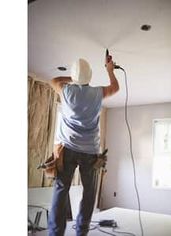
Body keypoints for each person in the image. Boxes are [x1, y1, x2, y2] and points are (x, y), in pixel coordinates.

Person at [48, 56, 119, 236]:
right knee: (89, 193)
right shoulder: (97, 93)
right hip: (90, 152)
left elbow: (53, 80)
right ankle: (82, 232)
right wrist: (110, 69)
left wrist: (72, 79)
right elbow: (115, 87)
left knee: (61, 190)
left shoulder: (66, 91)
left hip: (66, 149)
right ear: (90, 77)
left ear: (73, 77)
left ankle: (55, 233)